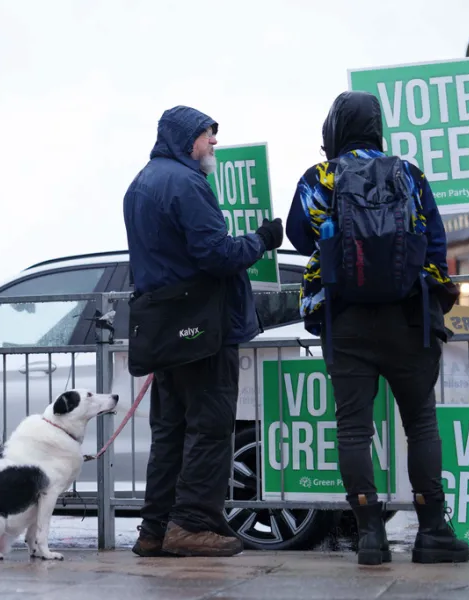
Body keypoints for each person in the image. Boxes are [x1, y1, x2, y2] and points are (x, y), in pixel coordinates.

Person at [285, 90, 469, 566]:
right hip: (409, 318)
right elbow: (434, 241)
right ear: (376, 126)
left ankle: (370, 534)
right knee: (421, 423)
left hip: (344, 319)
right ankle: (433, 531)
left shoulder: (318, 177)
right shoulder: (408, 173)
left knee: (353, 430)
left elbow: (299, 235)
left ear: (335, 128)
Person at [123, 105, 283, 557]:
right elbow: (217, 255)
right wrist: (263, 239)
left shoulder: (141, 183)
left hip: (166, 329)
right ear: (184, 139)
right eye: (206, 135)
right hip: (203, 326)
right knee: (210, 428)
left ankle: (154, 529)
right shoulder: (187, 183)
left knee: (170, 431)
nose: (213, 142)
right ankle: (191, 525)